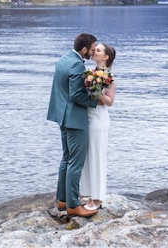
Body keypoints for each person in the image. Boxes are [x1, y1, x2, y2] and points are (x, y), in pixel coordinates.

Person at [46, 31, 102, 219]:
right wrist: (95, 101)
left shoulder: (64, 59)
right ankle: (73, 205)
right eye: (92, 50)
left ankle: (62, 199)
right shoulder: (77, 65)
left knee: (66, 159)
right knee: (76, 163)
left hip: (61, 116)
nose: (93, 53)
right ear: (84, 49)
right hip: (75, 119)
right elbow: (76, 95)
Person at [77, 42, 117, 208]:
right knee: (86, 157)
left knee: (97, 157)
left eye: (98, 50)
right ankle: (87, 193)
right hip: (86, 116)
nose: (94, 51)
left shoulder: (109, 76)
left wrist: (98, 93)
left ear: (105, 56)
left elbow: (109, 102)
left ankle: (98, 198)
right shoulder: (90, 73)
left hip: (99, 119)